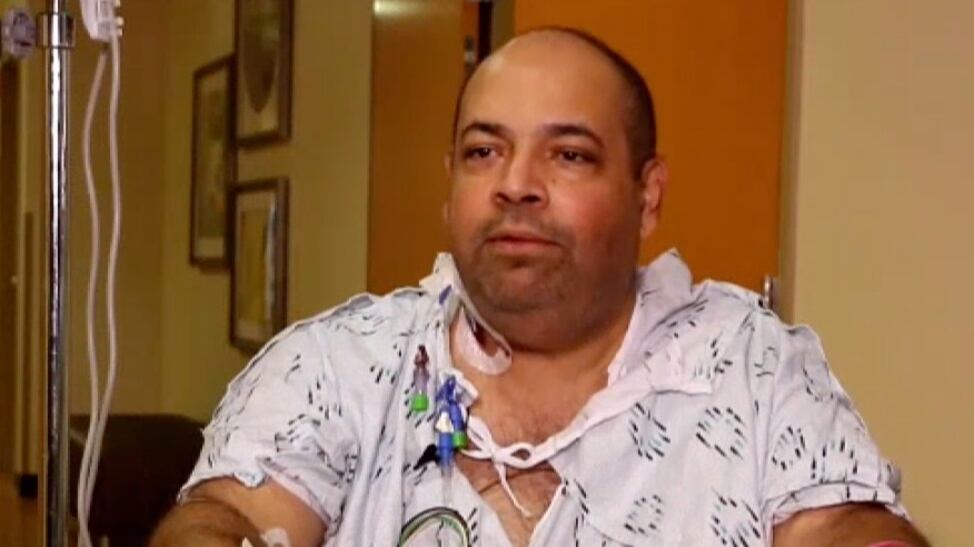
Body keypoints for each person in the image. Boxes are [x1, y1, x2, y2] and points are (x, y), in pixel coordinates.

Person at [151, 27, 928, 547]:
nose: (515, 183)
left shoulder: (751, 368)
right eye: (483, 151)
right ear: (449, 186)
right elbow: (231, 511)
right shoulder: (340, 364)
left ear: (648, 196)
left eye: (569, 155)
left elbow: (839, 527)